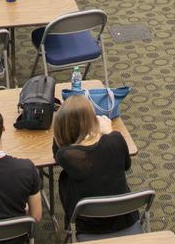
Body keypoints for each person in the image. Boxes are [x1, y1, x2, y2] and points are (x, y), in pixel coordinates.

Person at [53, 94, 135, 235]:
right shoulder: (115, 140)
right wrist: (108, 132)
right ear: (92, 120)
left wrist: (62, 128)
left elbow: (58, 149)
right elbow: (126, 165)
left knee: (66, 179)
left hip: (87, 226)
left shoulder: (67, 156)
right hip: (125, 219)